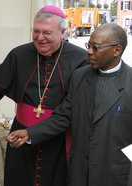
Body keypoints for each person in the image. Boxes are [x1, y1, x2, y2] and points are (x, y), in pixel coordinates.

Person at [0, 5, 88, 186]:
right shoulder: (20, 54)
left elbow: (73, 106)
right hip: (19, 134)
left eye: (47, 32)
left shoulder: (80, 59)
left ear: (62, 32)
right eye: (36, 31)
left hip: (58, 140)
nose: (40, 38)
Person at [7, 23, 132, 186]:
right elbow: (64, 115)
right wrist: (30, 133)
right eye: (89, 45)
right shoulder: (80, 77)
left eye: (96, 48)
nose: (89, 52)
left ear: (117, 50)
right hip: (79, 175)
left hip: (115, 176)